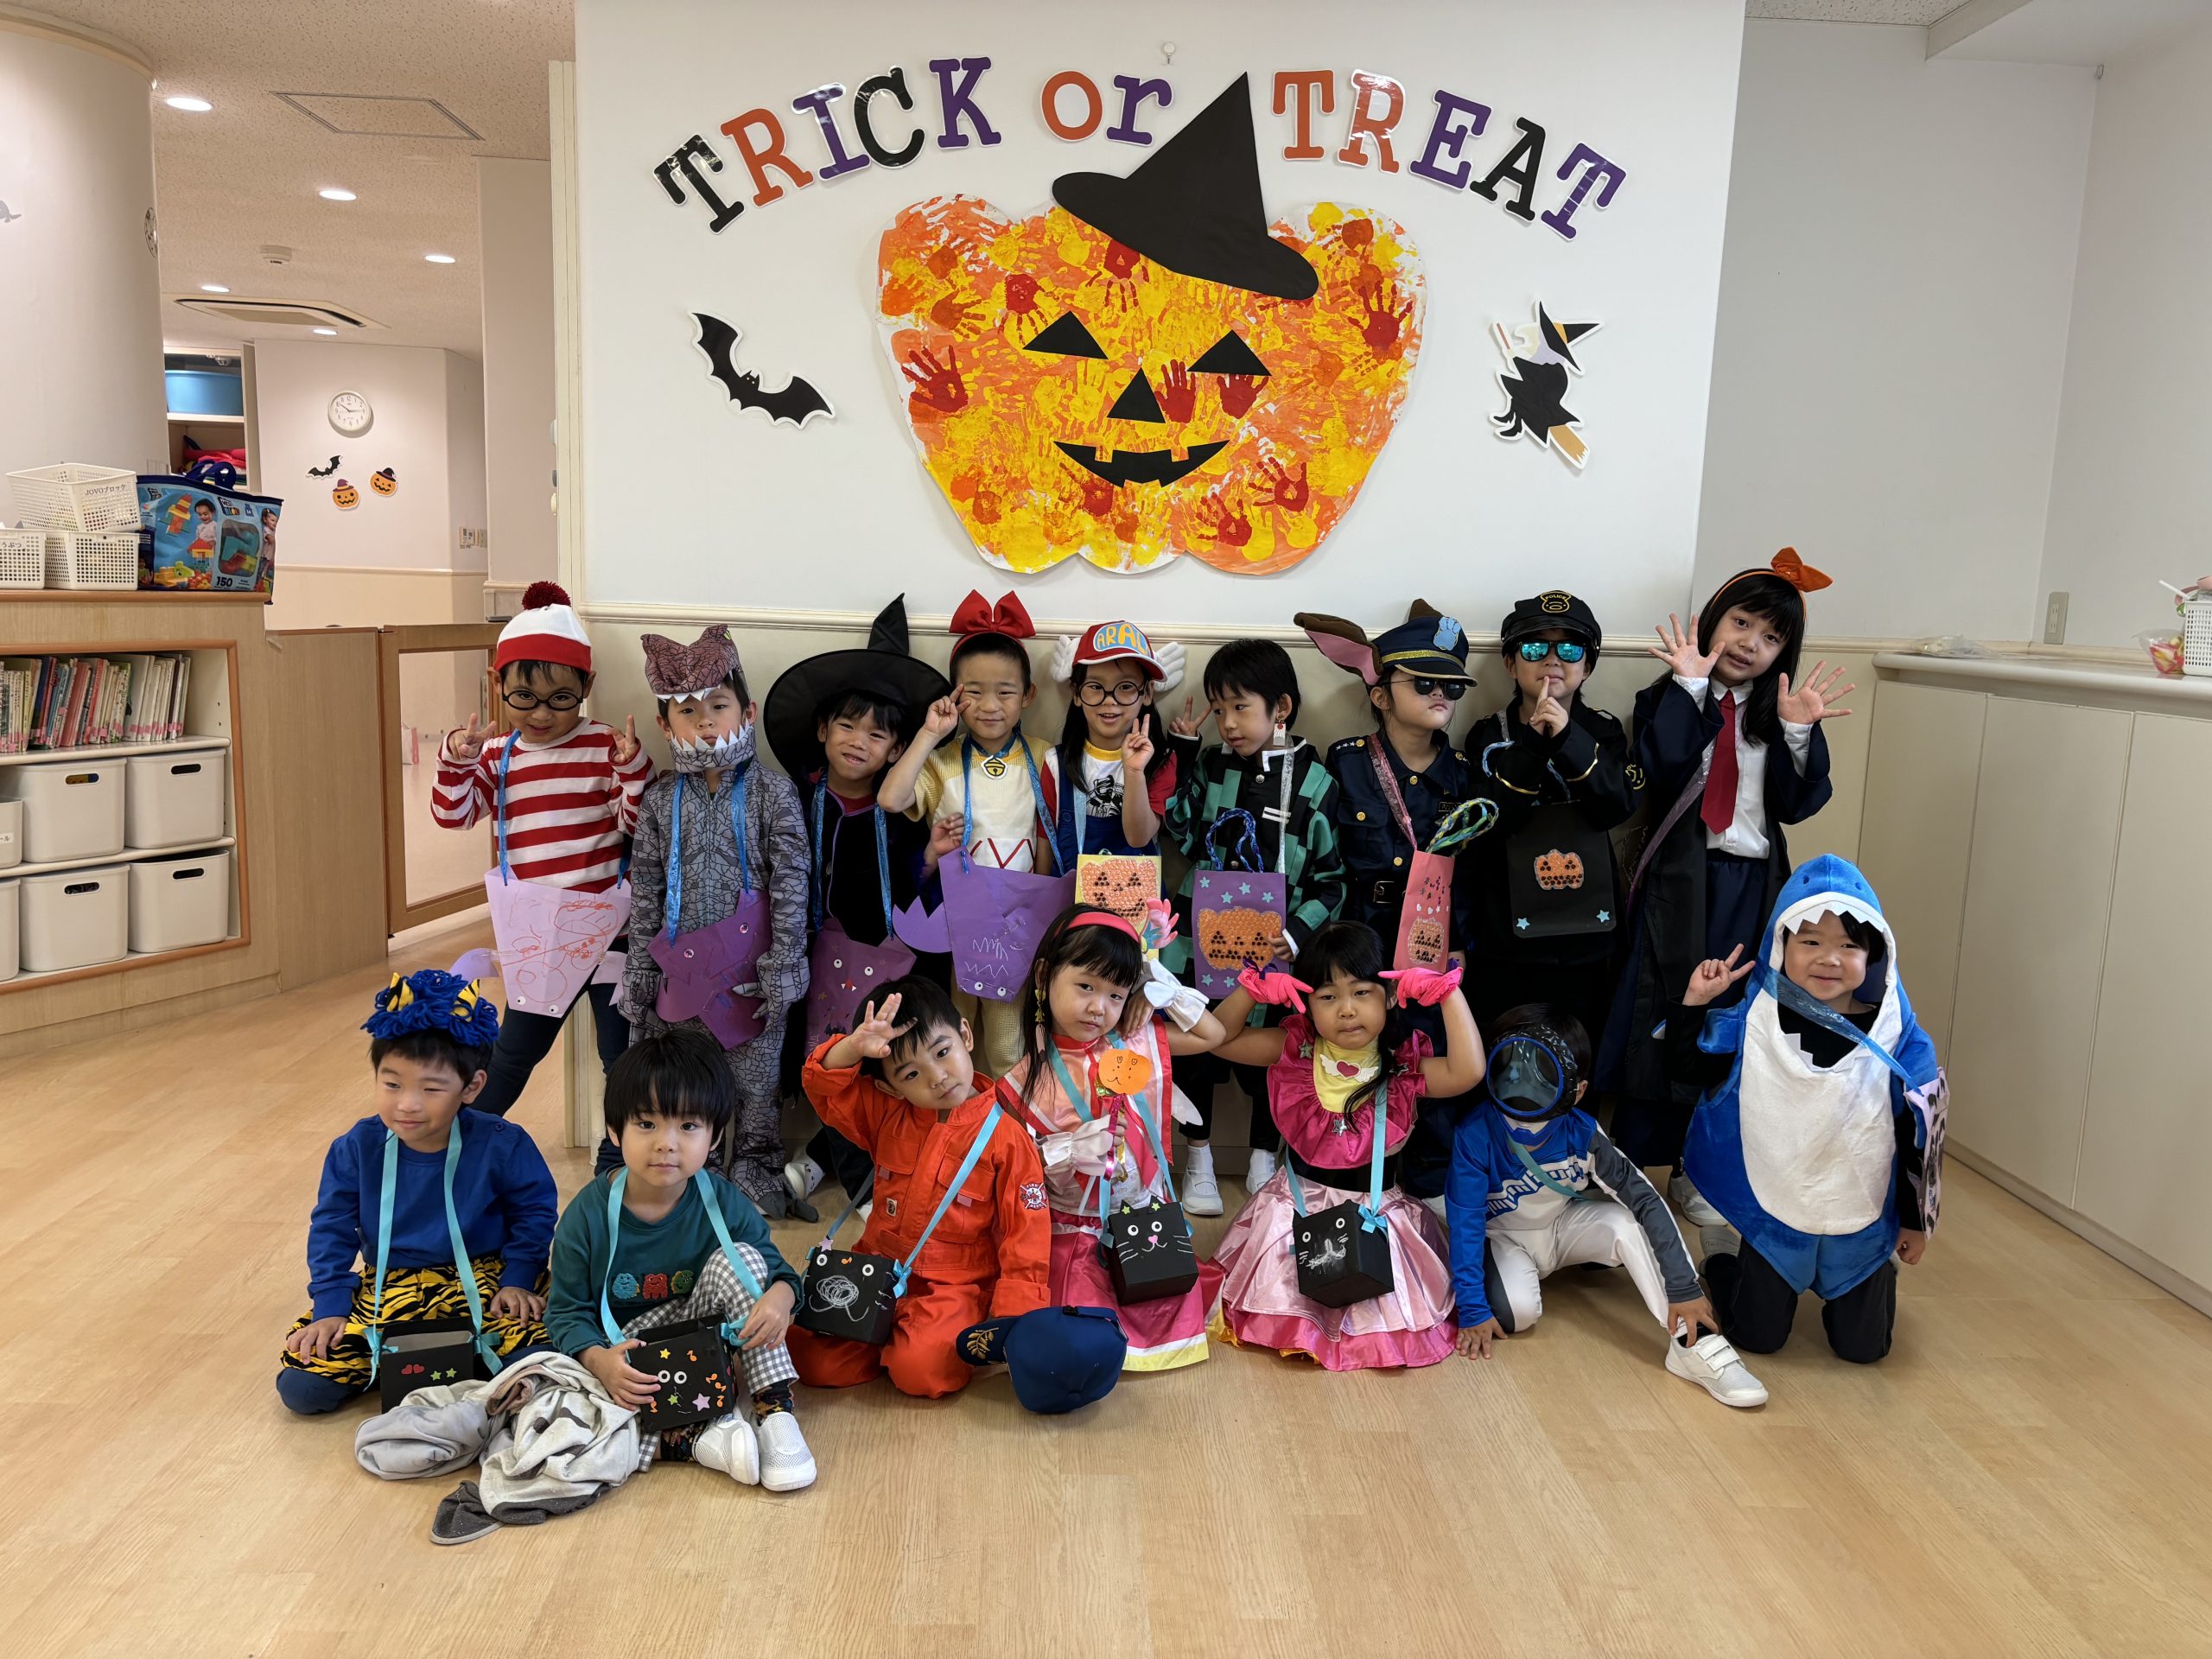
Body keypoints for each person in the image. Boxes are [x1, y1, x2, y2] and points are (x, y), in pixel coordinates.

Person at [1601, 551, 1854, 1227]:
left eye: (1771, 637)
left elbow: (1798, 804)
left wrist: (1799, 731)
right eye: (1741, 623)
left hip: (1753, 888)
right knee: (1665, 1012)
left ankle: (1704, 1165)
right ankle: (1633, 1164)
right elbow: (1660, 769)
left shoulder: (1779, 713)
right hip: (1681, 886)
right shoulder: (1666, 697)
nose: (1750, 644)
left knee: (1735, 1017)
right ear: (1713, 620)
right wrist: (1689, 690)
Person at [1669, 856, 1945, 1367]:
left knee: (1865, 1351)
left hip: (1861, 1220)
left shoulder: (1901, 1038)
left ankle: (1873, 1275)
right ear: (1781, 945)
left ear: (1874, 953)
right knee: (1756, 1337)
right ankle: (1725, 1258)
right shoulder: (1754, 1019)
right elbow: (1688, 1073)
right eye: (1811, 942)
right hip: (1774, 1216)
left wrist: (1914, 1222)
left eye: (1849, 946)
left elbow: (1921, 1138)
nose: (1829, 959)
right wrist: (1695, 1003)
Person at [1445, 1005, 1768, 1407]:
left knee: (1624, 1223)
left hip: (1561, 1227)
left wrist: (1684, 1288)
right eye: (1510, 1063)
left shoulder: (1583, 1133)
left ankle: (1694, 1343)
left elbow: (1646, 1201)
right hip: (1504, 1238)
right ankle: (1515, 1281)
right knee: (1518, 1314)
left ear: (1577, 1090)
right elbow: (1466, 1222)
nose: (1519, 1078)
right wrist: (1473, 1308)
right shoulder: (1476, 1133)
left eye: (1540, 1069)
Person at [544, 1030, 816, 1491]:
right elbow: (566, 1312)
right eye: (646, 1124)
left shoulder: (722, 1200)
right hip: (628, 1353)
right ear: (615, 1130)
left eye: (688, 1126)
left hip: (706, 1342)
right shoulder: (587, 1215)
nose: (667, 1143)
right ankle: (697, 1440)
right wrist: (599, 1360)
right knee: (567, 1407)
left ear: (715, 1136)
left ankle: (774, 1412)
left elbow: (780, 1274)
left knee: (744, 1260)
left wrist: (780, 1298)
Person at [276, 970, 557, 1415]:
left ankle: (444, 1363)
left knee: (541, 1359)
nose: (407, 1104)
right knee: (303, 1388)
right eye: (392, 1084)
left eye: (430, 1088)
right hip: (391, 1286)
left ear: (472, 1087)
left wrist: (518, 1280)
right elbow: (331, 1226)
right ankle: (452, 1364)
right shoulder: (356, 1146)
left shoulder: (504, 1143)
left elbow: (534, 1214)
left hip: (488, 1277)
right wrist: (330, 1306)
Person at [1206, 922, 1478, 1370]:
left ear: (1390, 996)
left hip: (1376, 1215)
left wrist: (1448, 994)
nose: (1347, 1010)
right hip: (1293, 1211)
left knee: (1377, 1306)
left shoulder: (1405, 1066)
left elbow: (1468, 1072)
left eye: (1362, 992)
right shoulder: (1294, 1048)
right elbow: (1219, 1040)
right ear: (1306, 1003)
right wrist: (1252, 992)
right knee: (1285, 1297)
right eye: (1328, 997)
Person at [761, 596, 950, 1221]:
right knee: (824, 1060)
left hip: (882, 961)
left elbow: (909, 885)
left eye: (877, 734)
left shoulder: (900, 809)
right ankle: (842, 1168)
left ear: (896, 750)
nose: (858, 742)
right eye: (847, 726)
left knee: (873, 1062)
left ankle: (838, 1168)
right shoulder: (795, 796)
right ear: (822, 730)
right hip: (809, 958)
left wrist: (930, 857)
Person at [434, 582, 652, 1119]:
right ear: (498, 683)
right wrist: (457, 761)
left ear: (586, 686)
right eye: (524, 697)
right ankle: (467, 1141)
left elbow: (638, 827)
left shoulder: (603, 746)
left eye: (561, 699)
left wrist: (632, 771)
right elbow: (454, 815)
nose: (541, 713)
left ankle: (621, 1155)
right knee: (514, 1053)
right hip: (537, 938)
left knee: (620, 1057)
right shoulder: (497, 755)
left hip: (612, 934)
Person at [1301, 601, 1488, 1210]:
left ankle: (1428, 1189)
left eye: (1451, 686)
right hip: (1363, 935)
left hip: (1432, 939)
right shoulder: (1347, 761)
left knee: (1425, 1052)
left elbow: (1471, 872)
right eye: (1423, 683)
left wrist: (1460, 943)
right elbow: (1326, 858)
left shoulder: (1462, 775)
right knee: (1358, 1051)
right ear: (1381, 695)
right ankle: (1352, 1176)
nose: (1440, 695)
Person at [621, 625, 809, 1213]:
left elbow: (793, 881)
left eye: (718, 706)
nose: (704, 722)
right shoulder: (658, 801)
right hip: (678, 976)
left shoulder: (774, 794)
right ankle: (680, 1167)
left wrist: (785, 961)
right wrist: (641, 968)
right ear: (665, 725)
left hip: (754, 976)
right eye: (687, 711)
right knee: (679, 1078)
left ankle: (754, 1163)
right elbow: (646, 887)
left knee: (756, 1077)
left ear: (747, 713)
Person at [790, 976, 1053, 1398]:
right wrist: (854, 1047)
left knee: (921, 1371)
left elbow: (1027, 1233)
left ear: (966, 1035)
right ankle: (891, 1339)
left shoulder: (1007, 1138)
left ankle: (908, 1342)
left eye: (942, 1052)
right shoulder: (885, 1113)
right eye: (911, 1073)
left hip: (954, 1287)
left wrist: (1012, 1319)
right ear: (888, 1086)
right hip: (876, 1271)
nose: (937, 1077)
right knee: (809, 1358)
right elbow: (824, 1086)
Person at [1002, 906, 1229, 1371]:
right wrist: (1068, 1150)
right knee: (1076, 1333)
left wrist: (1161, 985)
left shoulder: (1135, 1039)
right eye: (1086, 986)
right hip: (1074, 1233)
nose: (1098, 1008)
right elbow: (1016, 1174)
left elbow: (1214, 1035)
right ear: (1044, 976)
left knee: (1152, 1297)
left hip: (1142, 1223)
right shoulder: (1024, 1079)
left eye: (1115, 994)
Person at [1163, 638, 1345, 1202]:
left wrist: (1297, 932)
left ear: (1281, 708)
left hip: (1275, 950)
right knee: (1193, 1041)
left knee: (1274, 1052)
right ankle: (1197, 1156)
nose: (1228, 723)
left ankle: (1265, 1157)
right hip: (1199, 937)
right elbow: (1182, 835)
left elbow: (1333, 881)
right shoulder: (1213, 764)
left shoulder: (1316, 782)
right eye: (1220, 709)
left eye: (1240, 707)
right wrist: (1185, 753)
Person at [880, 589, 1057, 1078]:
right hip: (954, 921)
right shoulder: (940, 760)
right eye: (973, 692)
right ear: (954, 696)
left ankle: (1010, 1123)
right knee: (950, 1034)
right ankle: (956, 1120)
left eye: (1005, 692)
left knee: (1007, 1042)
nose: (990, 705)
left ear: (1028, 695)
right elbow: (891, 799)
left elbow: (1048, 834)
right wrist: (930, 733)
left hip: (1018, 924)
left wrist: (1040, 911)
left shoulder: (1044, 756)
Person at [1462, 591, 1639, 1043]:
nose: (1553, 660)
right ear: (1510, 663)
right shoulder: (1487, 733)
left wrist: (1567, 739)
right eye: (1535, 647)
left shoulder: (1603, 731)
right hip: (1506, 931)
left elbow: (1617, 807)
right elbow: (1488, 822)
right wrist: (1534, 745)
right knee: (1503, 1046)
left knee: (1583, 1049)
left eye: (1571, 649)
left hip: (1587, 931)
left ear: (1588, 667)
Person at [1039, 619, 1184, 862]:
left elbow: (1139, 838)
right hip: (1071, 886)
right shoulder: (1055, 763)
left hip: (1138, 887)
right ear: (1076, 693)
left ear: (1147, 692)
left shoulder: (1162, 760)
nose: (1110, 700)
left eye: (1125, 686)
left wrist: (1134, 771)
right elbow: (1046, 837)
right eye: (1095, 686)